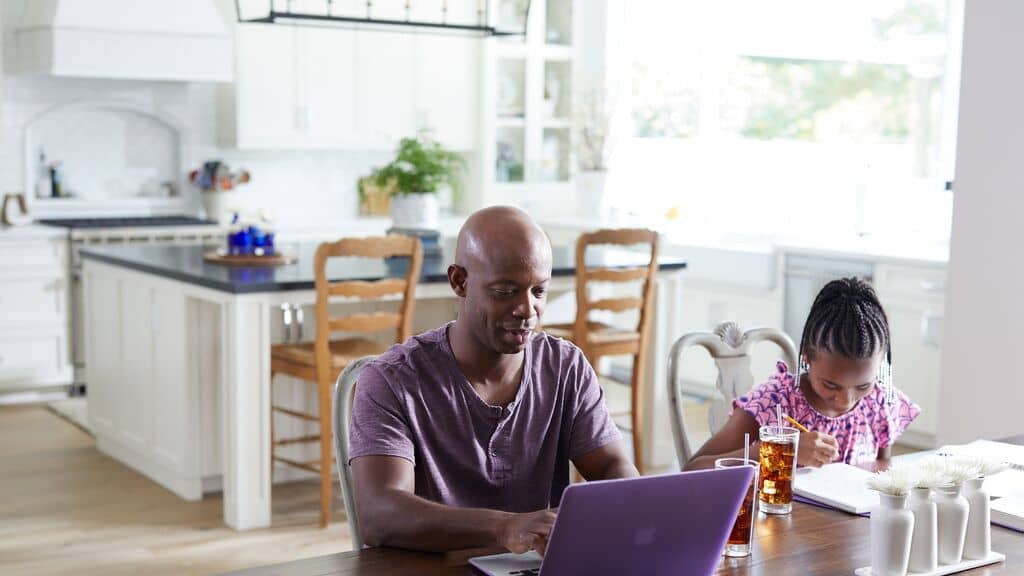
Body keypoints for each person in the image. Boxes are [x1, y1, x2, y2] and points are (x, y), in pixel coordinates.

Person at [349, 206, 638, 555]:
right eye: (505, 291)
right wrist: (505, 528)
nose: (527, 309)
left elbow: (609, 465)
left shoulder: (565, 367)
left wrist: (632, 504)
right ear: (459, 281)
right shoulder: (391, 380)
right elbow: (380, 515)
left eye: (539, 291)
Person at [686, 277, 920, 470]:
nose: (845, 400)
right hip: (781, 525)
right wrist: (777, 450)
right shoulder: (774, 403)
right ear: (805, 355)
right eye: (830, 385)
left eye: (862, 386)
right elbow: (692, 470)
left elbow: (881, 469)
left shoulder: (880, 400)